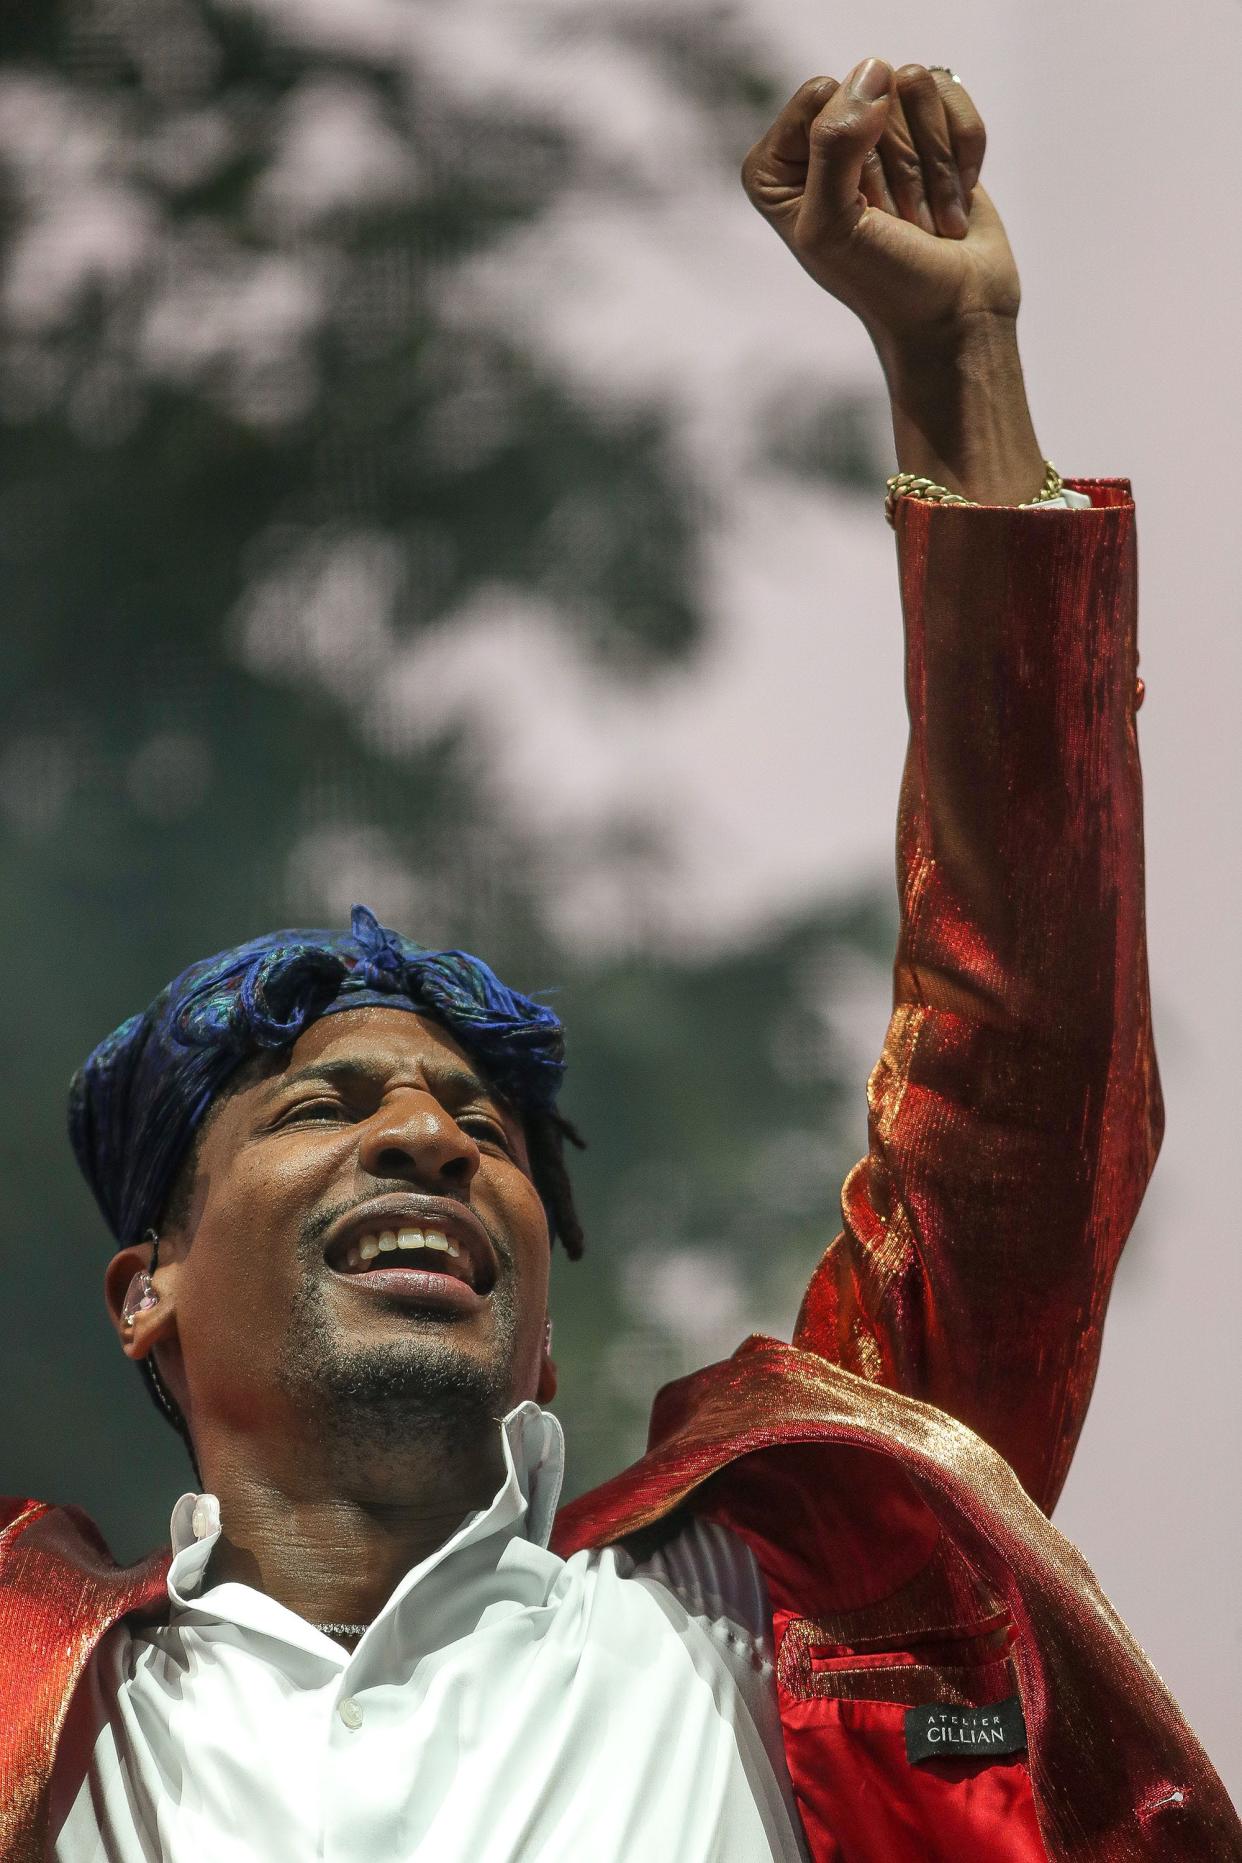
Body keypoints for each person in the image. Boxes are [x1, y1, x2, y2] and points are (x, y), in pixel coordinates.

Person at [1, 56, 1237, 1863]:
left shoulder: (782, 1610)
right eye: (324, 1105)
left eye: (480, 1130)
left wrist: (955, 369)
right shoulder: (36, 1724)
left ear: (546, 1344)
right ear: (147, 1289)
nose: (430, 1138)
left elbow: (1016, 1097)